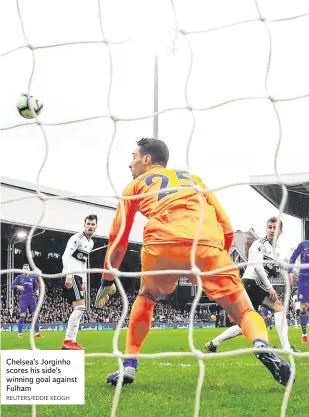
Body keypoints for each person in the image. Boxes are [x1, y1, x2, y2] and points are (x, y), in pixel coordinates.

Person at [95, 138, 293, 387]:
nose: (129, 163)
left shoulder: (134, 185)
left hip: (162, 243)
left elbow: (118, 240)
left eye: (132, 156)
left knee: (146, 298)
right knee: (244, 311)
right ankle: (261, 344)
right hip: (206, 241)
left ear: (146, 159)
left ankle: (129, 366)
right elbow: (227, 227)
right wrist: (213, 258)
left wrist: (107, 280)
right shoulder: (193, 178)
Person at [205, 217, 299, 353]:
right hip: (252, 283)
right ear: (266, 228)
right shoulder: (259, 244)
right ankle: (286, 348)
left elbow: (274, 269)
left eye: (275, 228)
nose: (272, 230)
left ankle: (214, 343)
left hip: (255, 285)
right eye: (270, 227)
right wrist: (269, 287)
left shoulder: (277, 250)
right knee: (279, 308)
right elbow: (258, 267)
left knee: (246, 323)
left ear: (280, 231)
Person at [61, 214, 97, 350]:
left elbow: (83, 263)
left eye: (93, 224)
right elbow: (65, 256)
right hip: (71, 274)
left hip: (78, 276)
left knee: (80, 308)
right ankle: (68, 341)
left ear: (96, 226)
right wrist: (68, 275)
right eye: (88, 224)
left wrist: (84, 281)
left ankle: (71, 341)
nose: (90, 226)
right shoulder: (76, 238)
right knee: (80, 307)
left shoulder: (91, 243)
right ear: (84, 224)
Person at [11, 263, 43, 338]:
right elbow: (12, 286)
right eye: (24, 268)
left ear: (29, 269)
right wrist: (17, 286)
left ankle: (37, 333)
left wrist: (37, 290)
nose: (26, 269)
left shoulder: (32, 277)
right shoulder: (19, 277)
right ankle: (19, 333)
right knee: (22, 316)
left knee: (35, 315)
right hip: (24, 298)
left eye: (27, 268)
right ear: (22, 269)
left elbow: (36, 286)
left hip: (32, 298)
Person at [288, 240, 309, 343]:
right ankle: (304, 334)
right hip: (304, 280)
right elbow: (292, 258)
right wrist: (290, 271)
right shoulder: (303, 244)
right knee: (304, 308)